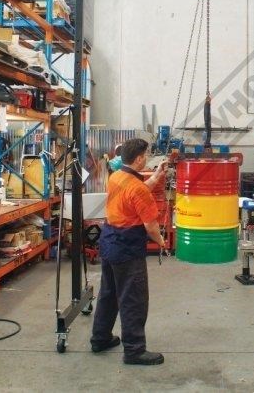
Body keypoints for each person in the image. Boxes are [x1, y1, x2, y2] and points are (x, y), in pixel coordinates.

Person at [90, 138, 167, 365]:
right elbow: (150, 226)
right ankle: (134, 351)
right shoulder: (137, 188)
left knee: (109, 293)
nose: (148, 158)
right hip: (127, 248)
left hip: (109, 242)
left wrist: (157, 176)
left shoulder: (116, 176)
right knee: (133, 299)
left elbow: (137, 191)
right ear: (140, 158)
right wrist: (161, 241)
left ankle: (100, 338)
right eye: (147, 155)